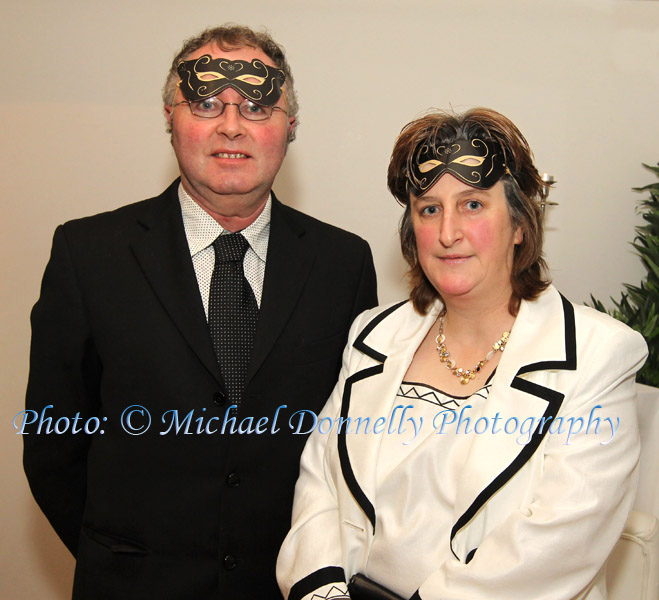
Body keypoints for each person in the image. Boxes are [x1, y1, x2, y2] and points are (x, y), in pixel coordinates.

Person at [23, 24, 377, 599]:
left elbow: (350, 445)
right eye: (206, 102)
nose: (231, 125)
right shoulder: (88, 256)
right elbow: (53, 444)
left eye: (258, 105)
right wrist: (116, 557)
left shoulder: (345, 264)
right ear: (170, 118)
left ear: (290, 127)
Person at [277, 108, 648, 600]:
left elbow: (553, 547)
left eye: (472, 205)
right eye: (429, 208)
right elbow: (320, 485)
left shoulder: (599, 355)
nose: (448, 232)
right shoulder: (373, 334)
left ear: (520, 224)